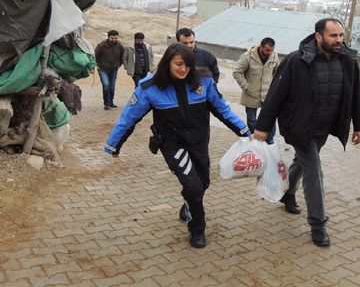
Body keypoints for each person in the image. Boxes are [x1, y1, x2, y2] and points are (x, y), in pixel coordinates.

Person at [103, 43, 250, 248]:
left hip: (199, 140)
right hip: (172, 143)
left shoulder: (204, 80)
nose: (184, 69)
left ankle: (189, 204)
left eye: (188, 65)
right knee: (192, 184)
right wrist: (114, 145)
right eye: (179, 64)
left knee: (203, 183)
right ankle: (197, 228)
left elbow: (222, 109)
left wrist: (245, 132)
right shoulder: (149, 87)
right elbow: (128, 118)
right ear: (168, 63)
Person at [253, 18, 360, 247]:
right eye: (333, 36)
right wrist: (262, 127)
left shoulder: (347, 60)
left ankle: (287, 193)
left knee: (303, 162)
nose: (338, 40)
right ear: (318, 36)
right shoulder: (296, 61)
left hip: (324, 127)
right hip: (299, 126)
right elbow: (276, 94)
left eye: (341, 36)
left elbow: (354, 93)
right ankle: (318, 224)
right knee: (315, 171)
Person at [232, 37, 279, 145]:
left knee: (270, 118)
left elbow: (277, 72)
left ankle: (269, 141)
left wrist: (274, 88)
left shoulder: (274, 56)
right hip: (250, 94)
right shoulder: (247, 56)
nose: (270, 52)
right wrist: (246, 86)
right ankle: (255, 141)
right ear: (261, 47)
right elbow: (237, 72)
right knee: (252, 119)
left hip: (268, 94)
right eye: (267, 50)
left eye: (272, 50)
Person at [94, 30, 124, 110]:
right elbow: (95, 56)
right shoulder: (101, 45)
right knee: (106, 85)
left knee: (112, 87)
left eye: (115, 38)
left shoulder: (120, 46)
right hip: (103, 69)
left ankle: (111, 102)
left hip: (114, 69)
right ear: (108, 37)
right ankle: (106, 103)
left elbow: (122, 57)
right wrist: (97, 66)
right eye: (112, 38)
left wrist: (118, 65)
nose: (114, 40)